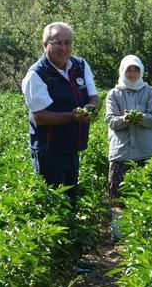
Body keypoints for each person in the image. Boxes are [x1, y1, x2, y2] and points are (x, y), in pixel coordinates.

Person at [21, 22, 99, 205]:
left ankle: (72, 232)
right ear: (45, 45)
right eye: (57, 43)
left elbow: (94, 97)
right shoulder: (36, 75)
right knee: (54, 203)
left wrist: (91, 109)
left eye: (67, 43)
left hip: (72, 147)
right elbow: (39, 117)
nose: (64, 48)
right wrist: (73, 116)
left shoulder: (80, 65)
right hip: (50, 150)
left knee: (70, 200)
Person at [105, 55, 152, 200]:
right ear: (123, 71)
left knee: (146, 198)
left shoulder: (149, 92)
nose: (132, 74)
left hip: (145, 151)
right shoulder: (114, 94)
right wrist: (125, 119)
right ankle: (117, 223)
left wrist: (141, 118)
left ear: (141, 72)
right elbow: (111, 120)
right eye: (129, 70)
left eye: (136, 70)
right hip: (121, 153)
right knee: (118, 197)